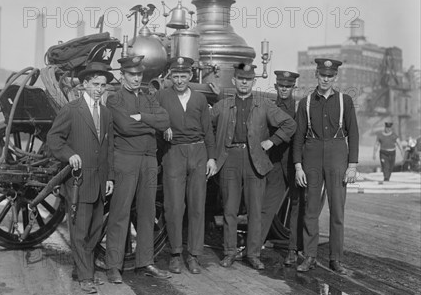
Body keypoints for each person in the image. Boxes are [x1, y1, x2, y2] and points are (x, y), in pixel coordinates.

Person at [210, 63, 296, 271]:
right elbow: (208, 129)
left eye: (248, 80)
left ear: (254, 82)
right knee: (230, 209)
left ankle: (253, 254)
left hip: (254, 160)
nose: (244, 83)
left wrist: (271, 142)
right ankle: (229, 252)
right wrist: (212, 155)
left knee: (255, 211)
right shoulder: (222, 105)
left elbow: (289, 124)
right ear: (234, 81)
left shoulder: (264, 104)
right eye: (240, 79)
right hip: (229, 158)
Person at [47, 62, 115, 294]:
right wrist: (70, 155)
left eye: (103, 85)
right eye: (95, 84)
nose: (99, 89)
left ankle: (82, 269)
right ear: (85, 84)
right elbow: (54, 139)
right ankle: (86, 276)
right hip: (78, 182)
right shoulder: (72, 110)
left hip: (99, 181)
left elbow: (109, 148)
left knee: (95, 230)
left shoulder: (106, 113)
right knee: (79, 231)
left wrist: (110, 178)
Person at [105, 55, 171, 283]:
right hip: (125, 159)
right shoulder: (114, 99)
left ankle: (146, 261)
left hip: (149, 160)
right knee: (120, 212)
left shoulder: (148, 97)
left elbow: (165, 121)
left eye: (139, 74)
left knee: (147, 212)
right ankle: (114, 265)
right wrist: (150, 125)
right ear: (122, 75)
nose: (136, 78)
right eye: (131, 74)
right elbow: (124, 126)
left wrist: (142, 117)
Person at [293, 58, 359, 275]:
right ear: (316, 75)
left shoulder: (345, 101)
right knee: (310, 209)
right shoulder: (305, 103)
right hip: (311, 155)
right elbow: (298, 138)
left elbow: (355, 134)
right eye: (322, 75)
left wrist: (352, 165)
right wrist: (298, 166)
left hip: (338, 155)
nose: (326, 79)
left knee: (337, 210)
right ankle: (310, 256)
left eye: (330, 76)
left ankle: (335, 259)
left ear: (335, 77)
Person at [156, 57, 217, 274]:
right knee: (173, 206)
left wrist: (211, 158)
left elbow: (208, 130)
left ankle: (193, 255)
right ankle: (175, 253)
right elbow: (153, 119)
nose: (180, 80)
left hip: (198, 152)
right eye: (176, 76)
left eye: (184, 76)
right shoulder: (162, 96)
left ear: (190, 76)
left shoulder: (199, 99)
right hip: (173, 152)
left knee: (197, 205)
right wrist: (163, 128)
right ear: (170, 77)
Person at [258, 70, 304, 266]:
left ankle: (293, 250)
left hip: (294, 163)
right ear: (276, 87)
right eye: (281, 86)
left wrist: (300, 163)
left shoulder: (300, 108)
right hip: (275, 163)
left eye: (288, 86)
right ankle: (254, 246)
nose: (284, 89)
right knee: (267, 206)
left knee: (297, 206)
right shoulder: (269, 106)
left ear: (293, 88)